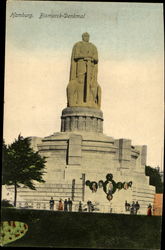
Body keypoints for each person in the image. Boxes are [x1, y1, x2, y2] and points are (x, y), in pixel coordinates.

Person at [67, 32, 101, 108]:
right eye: (85, 36)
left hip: (90, 66)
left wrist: (91, 58)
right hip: (81, 64)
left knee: (90, 82)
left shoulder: (93, 47)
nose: (86, 37)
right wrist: (86, 56)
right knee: (80, 80)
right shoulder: (78, 45)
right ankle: (79, 100)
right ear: (82, 37)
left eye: (87, 36)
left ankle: (90, 101)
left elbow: (96, 58)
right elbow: (76, 56)